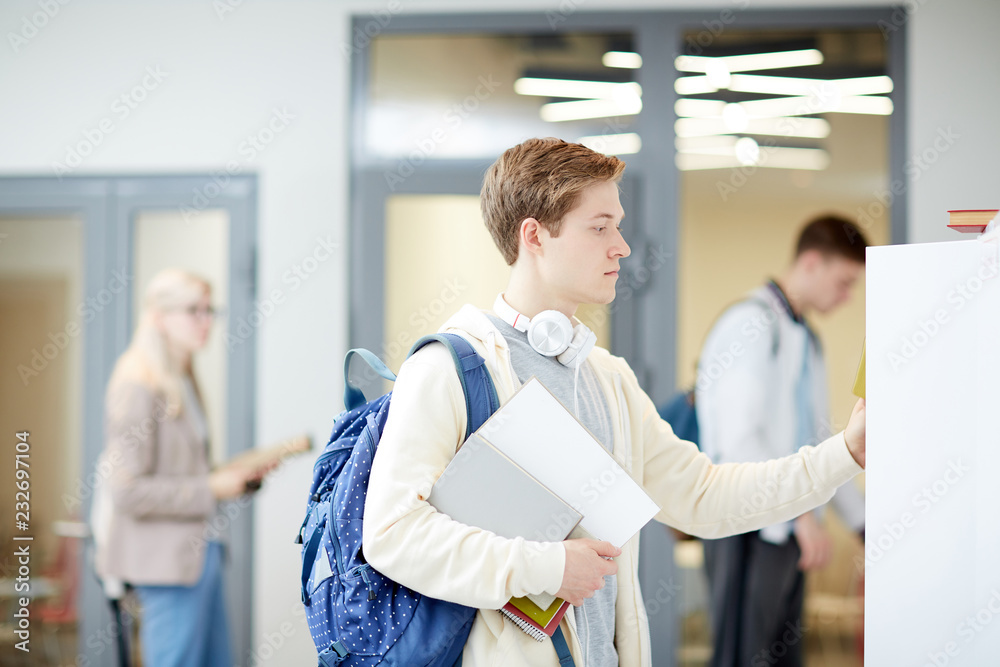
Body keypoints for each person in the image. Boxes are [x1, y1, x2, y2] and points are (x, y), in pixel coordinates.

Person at [362, 138, 867, 667]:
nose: (621, 246)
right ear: (534, 235)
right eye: (600, 227)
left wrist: (845, 454)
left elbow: (706, 495)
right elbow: (393, 535)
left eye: (618, 226)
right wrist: (549, 567)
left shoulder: (607, 379)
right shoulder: (448, 370)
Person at [695, 216, 868, 667]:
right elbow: (738, 441)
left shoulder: (806, 337)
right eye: (844, 282)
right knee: (743, 655)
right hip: (749, 523)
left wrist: (862, 523)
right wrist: (797, 514)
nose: (847, 297)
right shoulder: (750, 326)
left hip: (790, 525)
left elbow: (818, 442)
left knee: (781, 656)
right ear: (811, 263)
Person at [92, 269, 268, 667]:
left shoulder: (182, 376)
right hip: (166, 565)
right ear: (158, 316)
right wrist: (213, 488)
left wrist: (237, 476)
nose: (206, 321)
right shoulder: (137, 383)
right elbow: (127, 491)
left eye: (210, 310)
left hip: (200, 552)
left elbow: (183, 469)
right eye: (194, 310)